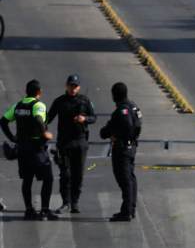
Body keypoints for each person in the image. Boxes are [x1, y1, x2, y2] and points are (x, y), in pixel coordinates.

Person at [1, 80, 56, 220]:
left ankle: (29, 210)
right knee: (48, 178)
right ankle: (45, 210)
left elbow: (3, 121)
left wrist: (12, 138)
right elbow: (38, 119)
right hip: (36, 149)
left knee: (27, 180)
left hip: (22, 148)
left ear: (26, 91)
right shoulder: (38, 105)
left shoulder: (18, 106)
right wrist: (45, 133)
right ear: (39, 92)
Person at [46, 74, 96, 215]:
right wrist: (41, 129)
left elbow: (94, 117)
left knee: (78, 174)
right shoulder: (59, 101)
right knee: (65, 174)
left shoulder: (85, 101)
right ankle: (66, 202)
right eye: (71, 86)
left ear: (79, 87)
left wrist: (84, 119)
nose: (73, 88)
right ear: (66, 86)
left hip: (80, 141)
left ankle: (75, 202)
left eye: (75, 86)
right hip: (64, 142)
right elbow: (48, 118)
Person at [98, 82, 142, 222]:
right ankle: (130, 209)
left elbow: (107, 131)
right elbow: (138, 125)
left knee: (124, 179)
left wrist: (116, 135)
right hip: (131, 146)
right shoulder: (133, 106)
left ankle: (126, 211)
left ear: (114, 95)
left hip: (122, 149)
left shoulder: (121, 111)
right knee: (130, 178)